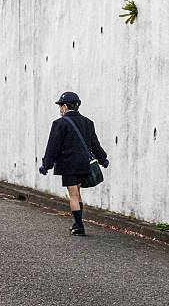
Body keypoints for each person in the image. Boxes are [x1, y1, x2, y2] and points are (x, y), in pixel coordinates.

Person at [38, 92, 109, 236]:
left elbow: (53, 146)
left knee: (73, 195)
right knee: (77, 193)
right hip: (84, 164)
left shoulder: (59, 123)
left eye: (60, 106)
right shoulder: (88, 122)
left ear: (65, 106)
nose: (60, 109)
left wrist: (46, 165)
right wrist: (103, 159)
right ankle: (77, 223)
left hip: (68, 165)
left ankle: (80, 226)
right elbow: (94, 145)